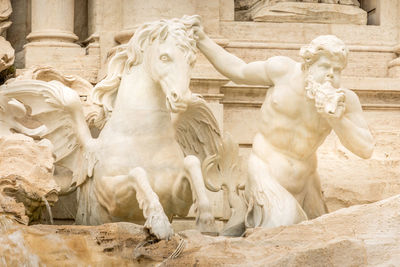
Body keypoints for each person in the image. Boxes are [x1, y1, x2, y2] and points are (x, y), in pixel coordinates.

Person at [195, 30, 374, 230]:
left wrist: (336, 119)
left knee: (319, 237)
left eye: (337, 70)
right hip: (266, 171)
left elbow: (366, 149)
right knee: (283, 229)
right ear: (308, 65)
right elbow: (238, 70)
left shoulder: (346, 101)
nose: (331, 74)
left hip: (307, 182)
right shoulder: (282, 72)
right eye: (325, 66)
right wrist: (201, 39)